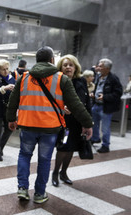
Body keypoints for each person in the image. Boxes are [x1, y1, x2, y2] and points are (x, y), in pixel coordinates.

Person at [6, 46, 93, 204]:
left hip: (27, 126)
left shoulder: (24, 77)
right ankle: (39, 193)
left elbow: (13, 100)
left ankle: (23, 189)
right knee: (44, 160)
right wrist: (87, 124)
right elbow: (76, 105)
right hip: (49, 128)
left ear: (37, 60)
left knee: (24, 155)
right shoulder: (61, 79)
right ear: (52, 60)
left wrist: (11, 118)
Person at [52, 54, 91, 187]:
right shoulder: (57, 81)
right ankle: (55, 173)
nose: (68, 67)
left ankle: (64, 172)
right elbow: (51, 101)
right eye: (65, 65)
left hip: (78, 122)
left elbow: (87, 102)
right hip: (64, 123)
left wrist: (88, 121)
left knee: (72, 148)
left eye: (71, 65)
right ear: (60, 67)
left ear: (75, 67)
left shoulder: (81, 81)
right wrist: (61, 107)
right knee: (63, 147)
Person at [90, 58, 123, 153]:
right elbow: (97, 88)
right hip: (96, 104)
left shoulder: (113, 79)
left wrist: (105, 97)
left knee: (105, 127)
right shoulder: (98, 76)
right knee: (94, 124)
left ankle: (105, 145)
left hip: (106, 106)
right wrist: (93, 93)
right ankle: (95, 138)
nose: (98, 68)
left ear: (107, 68)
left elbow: (118, 93)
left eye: (101, 66)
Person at [0, 59, 15, 161]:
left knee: (9, 129)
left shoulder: (12, 79)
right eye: (3, 69)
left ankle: (0, 148)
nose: (5, 71)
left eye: (7, 69)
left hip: (8, 109)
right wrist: (4, 88)